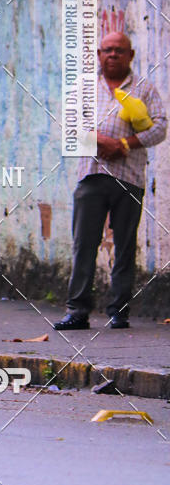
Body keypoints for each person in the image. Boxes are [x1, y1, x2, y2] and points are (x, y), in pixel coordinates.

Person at [54, 31, 167, 331]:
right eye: (107, 50)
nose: (113, 54)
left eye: (119, 50)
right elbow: (69, 125)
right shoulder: (84, 86)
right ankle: (77, 311)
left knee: (125, 246)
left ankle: (120, 312)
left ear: (131, 55)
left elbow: (160, 127)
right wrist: (100, 140)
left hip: (129, 177)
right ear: (99, 54)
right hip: (91, 175)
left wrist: (125, 144)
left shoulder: (144, 88)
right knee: (84, 244)